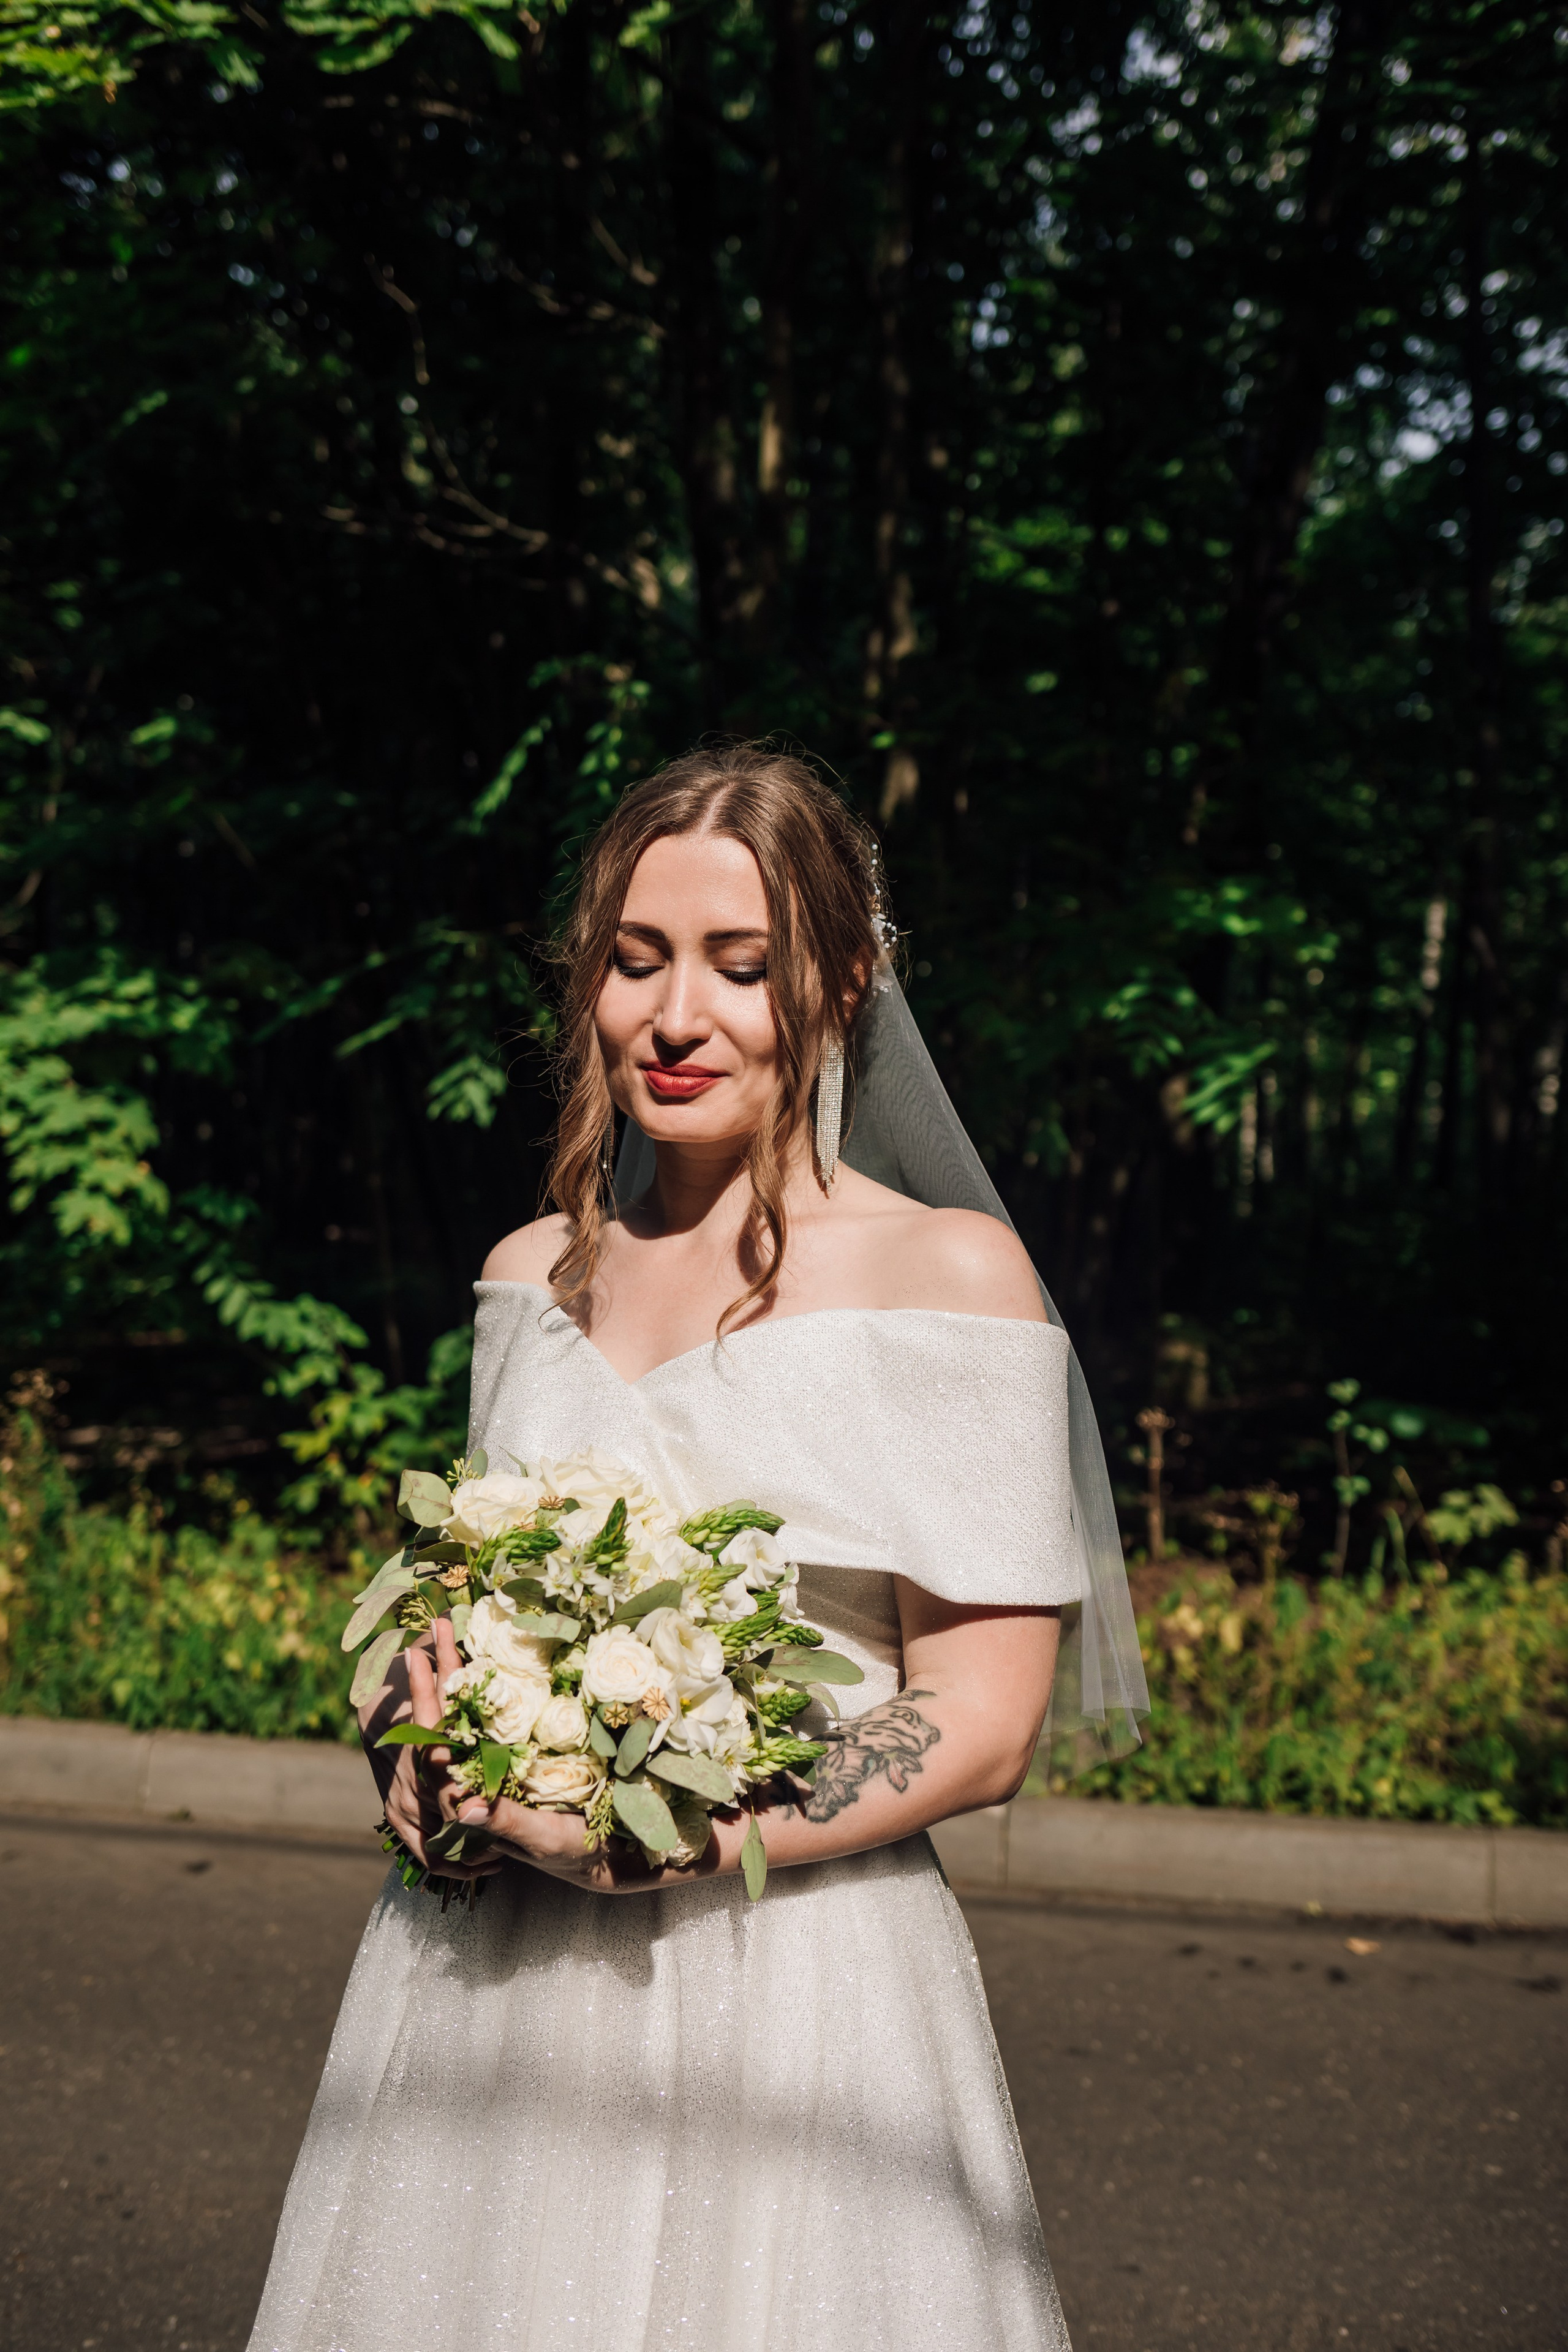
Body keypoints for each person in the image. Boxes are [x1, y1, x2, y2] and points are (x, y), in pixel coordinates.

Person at [249, 742, 1142, 2352]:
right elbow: (466, 1599)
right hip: (486, 1981)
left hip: (791, 1978)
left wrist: (672, 1840)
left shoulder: (952, 1277)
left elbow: (988, 1716)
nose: (677, 1018)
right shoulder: (531, 1273)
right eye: (636, 960)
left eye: (745, 967)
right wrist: (418, 1729)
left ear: (846, 979)